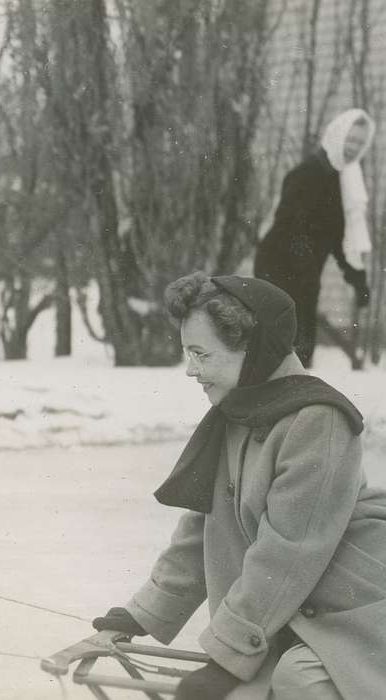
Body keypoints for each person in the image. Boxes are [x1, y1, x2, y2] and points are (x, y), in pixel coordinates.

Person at [92, 272, 386, 700]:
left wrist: (227, 660)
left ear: (252, 350)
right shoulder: (239, 414)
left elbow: (288, 550)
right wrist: (143, 613)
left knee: (299, 684)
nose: (190, 370)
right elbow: (203, 530)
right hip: (292, 611)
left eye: (200, 354)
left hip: (354, 614)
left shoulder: (317, 420)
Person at [254, 108, 375, 368]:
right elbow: (287, 226)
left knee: (300, 352)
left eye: (360, 142)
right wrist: (305, 268)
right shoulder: (309, 172)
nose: (353, 147)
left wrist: (357, 279)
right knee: (282, 350)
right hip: (278, 271)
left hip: (304, 274)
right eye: (350, 139)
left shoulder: (341, 179)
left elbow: (338, 236)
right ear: (337, 135)